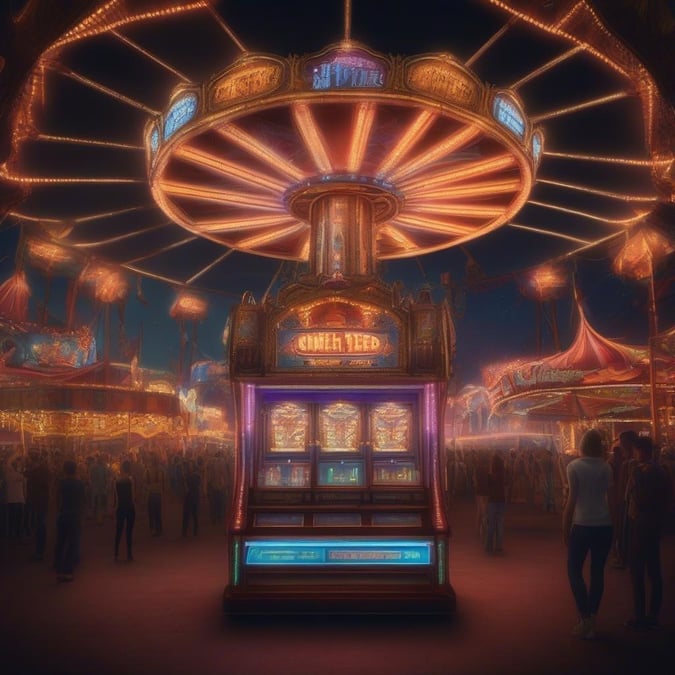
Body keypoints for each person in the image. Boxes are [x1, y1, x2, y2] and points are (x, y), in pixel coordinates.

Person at [563, 429, 615, 639]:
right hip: (604, 524)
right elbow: (611, 500)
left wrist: (565, 526)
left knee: (574, 570)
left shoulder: (573, 466)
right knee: (597, 572)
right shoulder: (606, 467)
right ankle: (592, 615)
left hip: (582, 524)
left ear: (582, 445)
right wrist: (617, 526)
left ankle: (584, 616)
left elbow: (572, 499)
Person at [624, 436, 673, 629]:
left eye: (636, 451)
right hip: (655, 525)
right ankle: (653, 614)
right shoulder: (662, 471)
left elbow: (639, 498)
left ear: (641, 451)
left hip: (641, 524)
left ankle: (640, 615)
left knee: (637, 572)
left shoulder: (642, 472)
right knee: (654, 570)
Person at [54, 460, 86, 582]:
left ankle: (58, 568)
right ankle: (67, 570)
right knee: (72, 544)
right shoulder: (79, 484)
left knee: (60, 542)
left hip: (63, 514)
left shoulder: (62, 483)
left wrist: (58, 510)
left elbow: (56, 497)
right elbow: (83, 501)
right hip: (75, 516)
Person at [25, 452, 50, 560]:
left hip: (37, 502)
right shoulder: (45, 471)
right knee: (41, 525)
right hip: (43, 501)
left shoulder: (34, 473)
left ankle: (39, 552)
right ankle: (40, 551)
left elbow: (30, 487)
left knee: (39, 526)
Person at [113, 460, 136, 561]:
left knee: (119, 530)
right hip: (130, 506)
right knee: (129, 531)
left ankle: (116, 553)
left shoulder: (117, 481)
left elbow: (116, 498)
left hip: (121, 506)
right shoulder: (131, 480)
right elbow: (133, 495)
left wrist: (115, 508)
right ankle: (129, 554)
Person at [485, 451, 507, 554]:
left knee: (491, 524)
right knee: (500, 523)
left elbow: (488, 485)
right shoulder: (503, 474)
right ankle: (499, 545)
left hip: (492, 500)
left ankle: (489, 545)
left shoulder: (491, 475)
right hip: (501, 499)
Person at [146, 453, 165, 536]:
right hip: (158, 494)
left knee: (151, 513)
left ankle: (152, 529)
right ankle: (159, 529)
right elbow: (163, 483)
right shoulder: (161, 470)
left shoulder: (148, 470)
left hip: (151, 493)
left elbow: (145, 483)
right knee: (158, 513)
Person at [182, 460, 201, 537]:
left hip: (193, 495)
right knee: (189, 514)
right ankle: (186, 532)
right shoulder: (193, 475)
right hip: (191, 495)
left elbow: (197, 485)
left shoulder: (193, 476)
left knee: (193, 514)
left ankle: (192, 531)